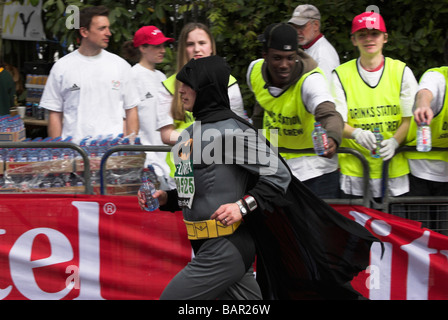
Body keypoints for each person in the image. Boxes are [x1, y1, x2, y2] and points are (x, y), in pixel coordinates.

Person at [139, 55, 379, 300]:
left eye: (188, 84)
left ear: (206, 87)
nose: (181, 90)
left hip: (226, 248)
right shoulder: (187, 135)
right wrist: (165, 198)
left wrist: (242, 207)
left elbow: (280, 175)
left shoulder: (233, 132)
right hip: (205, 246)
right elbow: (193, 192)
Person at [247, 23, 344, 199]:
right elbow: (261, 107)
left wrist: (332, 138)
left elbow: (329, 113)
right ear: (265, 56)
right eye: (277, 58)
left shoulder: (311, 81)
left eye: (290, 58)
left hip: (315, 172)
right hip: (277, 170)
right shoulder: (254, 71)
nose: (284, 65)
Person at [331, 12, 418, 200]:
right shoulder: (340, 74)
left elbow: (409, 119)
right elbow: (335, 121)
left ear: (385, 38)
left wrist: (395, 141)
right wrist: (356, 133)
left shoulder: (401, 71)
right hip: (355, 170)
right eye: (362, 35)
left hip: (394, 169)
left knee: (395, 226)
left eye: (374, 34)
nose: (368, 39)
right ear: (353, 40)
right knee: (357, 228)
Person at [40, 6, 140, 144]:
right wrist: (60, 151)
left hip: (113, 154)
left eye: (108, 28)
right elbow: (55, 113)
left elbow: (131, 110)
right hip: (75, 152)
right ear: (84, 31)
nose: (108, 33)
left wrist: (130, 147)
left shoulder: (121, 66)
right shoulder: (62, 67)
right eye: (102, 28)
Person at [156, 22, 246, 146]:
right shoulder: (168, 86)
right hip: (182, 162)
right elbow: (166, 135)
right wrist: (202, 141)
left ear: (211, 47)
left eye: (202, 43)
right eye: (190, 44)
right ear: (183, 49)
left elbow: (238, 128)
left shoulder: (229, 83)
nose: (197, 49)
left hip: (219, 159)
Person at [122, 26, 176, 189]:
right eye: (157, 46)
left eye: (163, 45)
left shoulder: (161, 77)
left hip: (166, 157)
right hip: (147, 161)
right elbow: (126, 119)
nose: (163, 50)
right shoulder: (132, 75)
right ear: (143, 48)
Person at [405, 38, 448, 196]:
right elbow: (425, 92)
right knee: (419, 221)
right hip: (419, 169)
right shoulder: (437, 76)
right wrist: (423, 105)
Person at [288, 4, 340, 83]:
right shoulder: (311, 47)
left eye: (301, 26)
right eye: (294, 27)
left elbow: (326, 90)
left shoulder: (323, 55)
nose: (297, 32)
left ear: (316, 25)